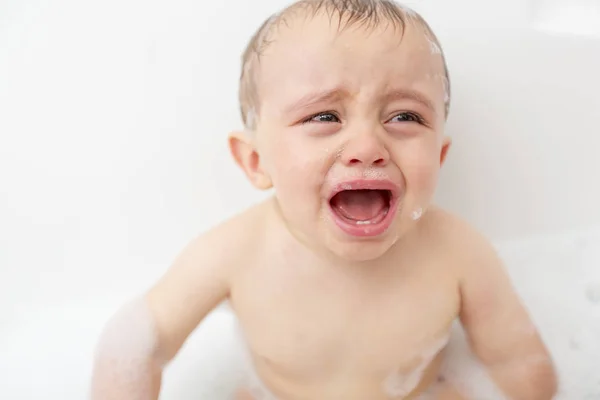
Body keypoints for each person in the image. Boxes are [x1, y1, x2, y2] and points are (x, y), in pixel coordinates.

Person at [91, 1, 558, 399]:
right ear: (255, 161)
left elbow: (519, 363)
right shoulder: (234, 254)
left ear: (439, 156)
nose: (367, 147)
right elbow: (137, 346)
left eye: (403, 115)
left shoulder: (459, 252)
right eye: (325, 115)